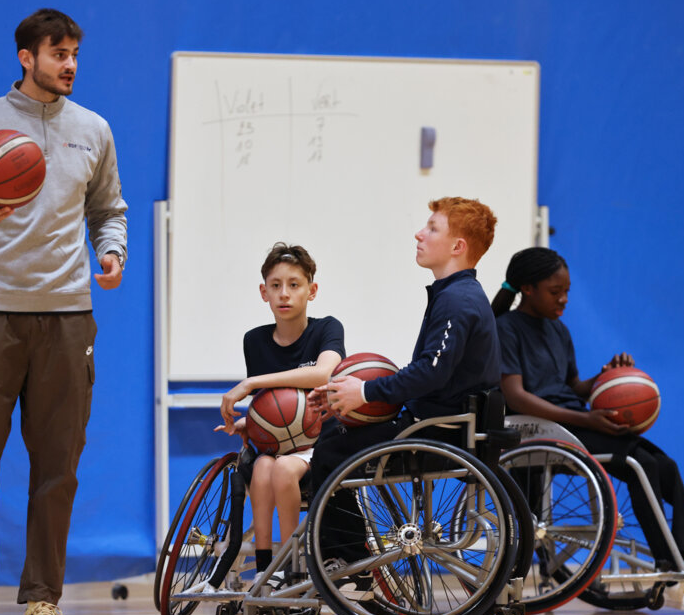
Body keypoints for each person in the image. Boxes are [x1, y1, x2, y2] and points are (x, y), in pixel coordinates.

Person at [0, 9, 128, 615]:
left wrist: (111, 251)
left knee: (58, 468)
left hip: (67, 319)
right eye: (58, 53)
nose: (70, 63)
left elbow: (109, 211)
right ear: (26, 56)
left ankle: (43, 600)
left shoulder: (93, 130)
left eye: (75, 53)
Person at [491, 246, 684, 615]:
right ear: (528, 288)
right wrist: (586, 419)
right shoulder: (505, 330)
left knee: (664, 466)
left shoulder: (559, 330)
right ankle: (672, 573)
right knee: (637, 464)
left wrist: (606, 376)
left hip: (569, 421)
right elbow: (516, 397)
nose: (564, 298)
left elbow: (571, 387)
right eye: (556, 292)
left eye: (567, 291)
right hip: (538, 427)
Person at [308, 196, 501, 591]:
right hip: (437, 421)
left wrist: (365, 390)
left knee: (329, 450)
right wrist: (346, 395)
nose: (419, 233)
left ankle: (352, 562)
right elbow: (433, 373)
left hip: (437, 431)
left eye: (431, 228)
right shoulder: (456, 294)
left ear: (457, 246)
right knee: (335, 431)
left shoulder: (458, 300)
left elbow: (431, 372)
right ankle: (349, 555)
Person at [212, 243, 345, 588]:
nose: (284, 294)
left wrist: (251, 382)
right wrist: (250, 423)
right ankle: (264, 567)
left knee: (284, 468)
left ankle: (293, 567)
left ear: (311, 290)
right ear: (264, 292)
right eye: (275, 285)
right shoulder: (254, 340)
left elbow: (322, 375)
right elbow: (271, 407)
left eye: (294, 284)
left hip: (318, 441)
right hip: (278, 446)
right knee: (262, 466)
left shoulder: (327, 328)